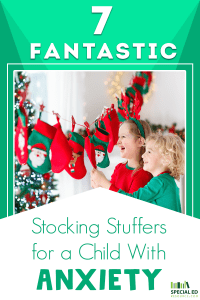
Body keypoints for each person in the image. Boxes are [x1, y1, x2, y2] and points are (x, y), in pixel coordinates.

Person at [92, 132, 185, 212]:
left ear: (166, 159)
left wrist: (104, 183)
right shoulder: (168, 180)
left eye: (149, 152)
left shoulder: (160, 182)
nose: (143, 155)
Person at [91, 119, 152, 193]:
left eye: (123, 136)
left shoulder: (143, 174)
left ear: (140, 141)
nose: (118, 142)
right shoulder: (119, 168)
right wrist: (99, 186)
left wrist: (103, 182)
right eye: (119, 137)